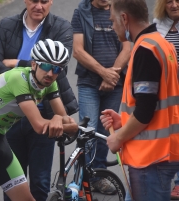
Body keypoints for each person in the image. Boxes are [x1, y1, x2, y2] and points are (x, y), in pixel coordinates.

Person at [0, 38, 78, 201]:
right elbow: (39, 126)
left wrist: (59, 119)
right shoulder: (19, 79)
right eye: (46, 66)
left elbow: (69, 123)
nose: (50, 73)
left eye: (57, 69)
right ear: (34, 64)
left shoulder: (49, 83)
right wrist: (58, 119)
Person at [0, 1, 78, 200]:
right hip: (11, 115)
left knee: (40, 182)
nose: (39, 6)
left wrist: (15, 62)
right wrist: (29, 68)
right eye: (34, 0)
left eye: (44, 1)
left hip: (44, 112)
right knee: (12, 183)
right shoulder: (6, 25)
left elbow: (60, 70)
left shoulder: (62, 27)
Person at [100, 0, 179, 200]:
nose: (113, 26)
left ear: (124, 19)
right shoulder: (162, 44)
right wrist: (123, 121)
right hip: (162, 152)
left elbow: (145, 110)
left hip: (151, 158)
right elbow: (157, 102)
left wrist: (118, 137)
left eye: (113, 21)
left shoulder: (145, 50)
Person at [70, 0, 131, 194]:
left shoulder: (121, 11)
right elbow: (78, 51)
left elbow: (127, 48)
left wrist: (112, 75)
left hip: (115, 83)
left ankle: (99, 177)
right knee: (87, 131)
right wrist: (104, 73)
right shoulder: (81, 12)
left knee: (105, 131)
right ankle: (82, 178)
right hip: (89, 82)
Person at [153, 0, 179, 199]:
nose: (174, 5)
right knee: (168, 135)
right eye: (169, 1)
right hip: (165, 91)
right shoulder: (157, 25)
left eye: (177, 0)